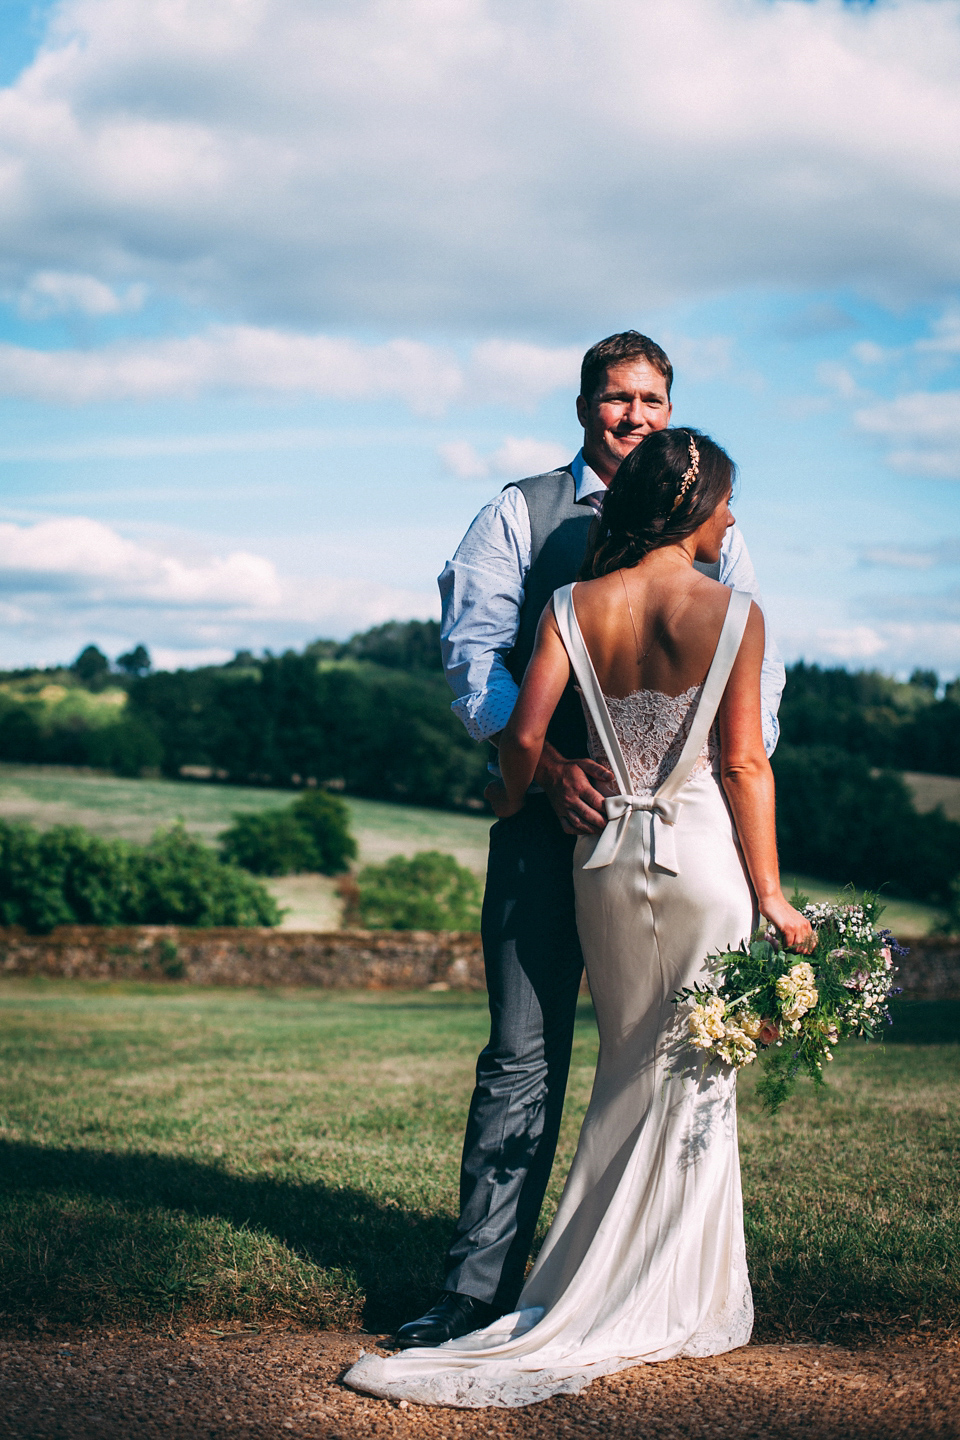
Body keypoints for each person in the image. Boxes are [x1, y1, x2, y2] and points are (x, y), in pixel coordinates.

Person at [345, 428, 811, 1406]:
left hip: (601, 862)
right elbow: (743, 764)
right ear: (695, 508)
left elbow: (522, 734)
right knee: (697, 1073)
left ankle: (588, 1279)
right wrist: (771, 894)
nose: (734, 519)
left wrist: (521, 796)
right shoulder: (736, 612)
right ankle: (671, 1290)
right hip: (701, 864)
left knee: (625, 1066)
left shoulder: (571, 604)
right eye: (728, 502)